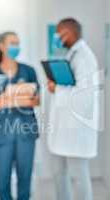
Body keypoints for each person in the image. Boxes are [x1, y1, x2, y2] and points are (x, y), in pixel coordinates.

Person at [47, 18, 103, 200]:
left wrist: (58, 89)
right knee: (59, 174)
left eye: (59, 33)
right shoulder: (72, 54)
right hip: (64, 129)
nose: (56, 37)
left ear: (69, 33)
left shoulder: (85, 57)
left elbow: (84, 96)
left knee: (79, 176)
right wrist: (56, 86)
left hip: (77, 131)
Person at [0, 32, 40, 200]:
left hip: (26, 132)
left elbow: (35, 101)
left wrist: (6, 98)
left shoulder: (29, 71)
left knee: (25, 177)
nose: (16, 47)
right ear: (1, 45)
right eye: (12, 43)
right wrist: (19, 96)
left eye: (18, 43)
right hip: (3, 134)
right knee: (3, 179)